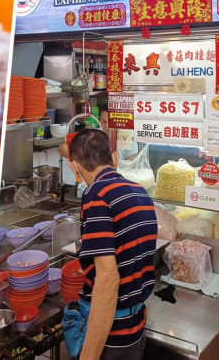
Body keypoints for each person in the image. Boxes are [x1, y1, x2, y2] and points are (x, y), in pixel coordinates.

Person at [68, 129, 157, 360]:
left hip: (111, 333)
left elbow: (108, 279)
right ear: (113, 158)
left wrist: (89, 356)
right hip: (136, 325)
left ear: (74, 166)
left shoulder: (96, 195)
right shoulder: (141, 192)